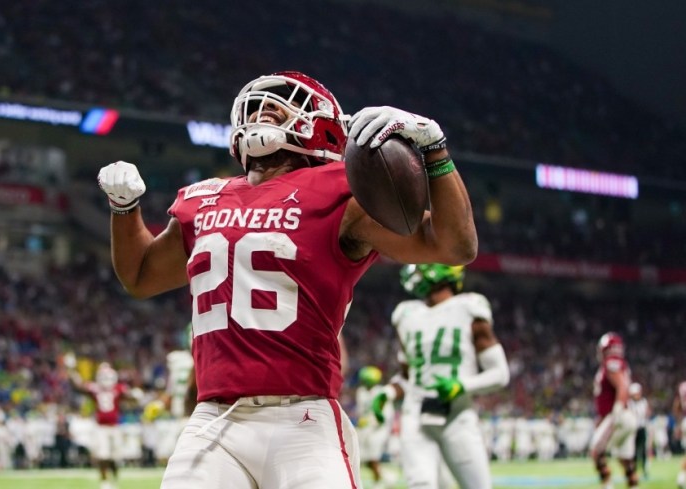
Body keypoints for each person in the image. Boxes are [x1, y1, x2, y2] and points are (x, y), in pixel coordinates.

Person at [97, 70, 477, 489]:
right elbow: (141, 276)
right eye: (258, 105)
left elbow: (454, 245)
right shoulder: (202, 199)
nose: (264, 110)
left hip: (303, 418)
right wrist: (124, 209)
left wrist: (434, 149)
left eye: (282, 105)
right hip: (213, 419)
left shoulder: (341, 190)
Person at [371, 263, 509, 489]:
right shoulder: (407, 314)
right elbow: (409, 377)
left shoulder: (468, 308)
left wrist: (460, 385)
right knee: (421, 484)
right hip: (415, 414)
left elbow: (500, 374)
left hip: (457, 416)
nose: (417, 268)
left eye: (424, 263)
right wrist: (388, 392)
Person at [65, 357, 145, 489]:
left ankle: (114, 481)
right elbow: (79, 386)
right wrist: (72, 371)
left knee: (115, 457)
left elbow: (131, 397)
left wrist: (136, 395)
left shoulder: (118, 388)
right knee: (102, 456)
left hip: (115, 427)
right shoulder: (96, 388)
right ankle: (105, 482)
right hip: (101, 427)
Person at [589, 332, 638, 489]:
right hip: (626, 416)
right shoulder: (620, 363)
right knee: (625, 458)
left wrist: (617, 411)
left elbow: (622, 386)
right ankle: (633, 486)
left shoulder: (611, 362)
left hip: (618, 415)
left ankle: (607, 485)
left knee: (597, 450)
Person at [355, 366, 395, 489]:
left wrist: (371, 421)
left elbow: (385, 414)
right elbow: (361, 411)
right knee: (364, 458)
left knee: (373, 457)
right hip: (364, 429)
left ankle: (378, 484)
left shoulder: (381, 392)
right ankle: (387, 477)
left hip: (378, 429)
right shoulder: (361, 392)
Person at [627, 382, 649, 479]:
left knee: (643, 450)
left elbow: (646, 414)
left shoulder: (643, 402)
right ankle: (634, 469)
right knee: (633, 451)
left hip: (642, 428)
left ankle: (644, 468)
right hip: (633, 429)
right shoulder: (629, 403)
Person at [675, 380, 686, 488]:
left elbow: (677, 406)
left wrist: (678, 424)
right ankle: (681, 477)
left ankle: (681, 477)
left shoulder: (682, 386)